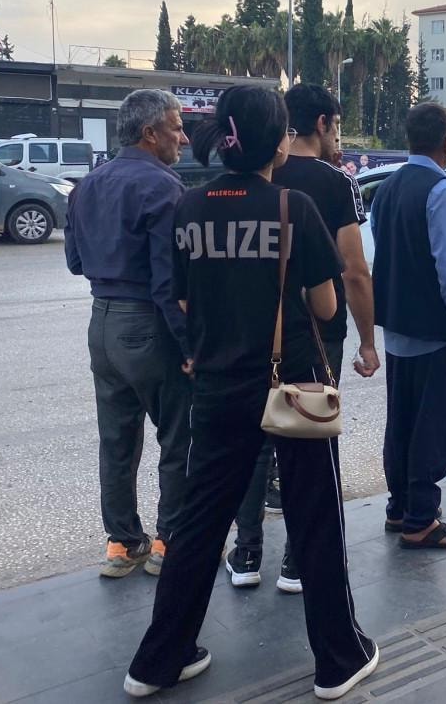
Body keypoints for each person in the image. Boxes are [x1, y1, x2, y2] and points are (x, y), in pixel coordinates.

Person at [124, 86, 378, 700]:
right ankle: (338, 660)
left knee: (198, 524)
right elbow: (325, 306)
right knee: (315, 517)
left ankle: (157, 661)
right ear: (277, 142)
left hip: (217, 387)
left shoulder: (189, 206)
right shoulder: (293, 207)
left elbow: (184, 301)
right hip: (291, 385)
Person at [223, 84, 380, 594]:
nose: (338, 137)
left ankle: (247, 553)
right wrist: (367, 341)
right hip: (316, 334)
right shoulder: (337, 182)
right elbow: (354, 270)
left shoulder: (255, 174)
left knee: (254, 445)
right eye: (337, 125)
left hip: (252, 332)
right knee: (310, 439)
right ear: (323, 122)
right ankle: (297, 560)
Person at [64, 89, 191, 579]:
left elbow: (75, 262)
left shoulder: (87, 185)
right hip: (148, 324)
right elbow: (168, 282)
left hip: (101, 324)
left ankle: (122, 543)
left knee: (116, 439)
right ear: (150, 133)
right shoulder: (164, 188)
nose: (183, 138)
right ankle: (169, 542)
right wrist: (189, 345)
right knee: (177, 437)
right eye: (177, 127)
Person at [371, 103, 446, 550]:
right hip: (433, 328)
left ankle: (400, 507)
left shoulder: (388, 187)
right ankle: (421, 519)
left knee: (400, 421)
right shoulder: (440, 189)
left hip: (397, 325)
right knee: (434, 426)